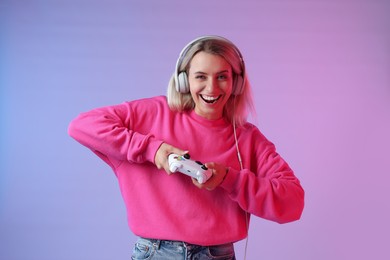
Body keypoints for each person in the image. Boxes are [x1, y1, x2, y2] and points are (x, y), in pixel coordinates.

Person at [68, 35, 304, 260]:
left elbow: (293, 203)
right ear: (184, 80)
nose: (211, 88)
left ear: (237, 82)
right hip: (157, 253)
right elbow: (82, 125)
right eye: (200, 76)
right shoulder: (152, 115)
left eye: (222, 76)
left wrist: (229, 179)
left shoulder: (247, 138)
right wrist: (153, 150)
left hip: (219, 255)